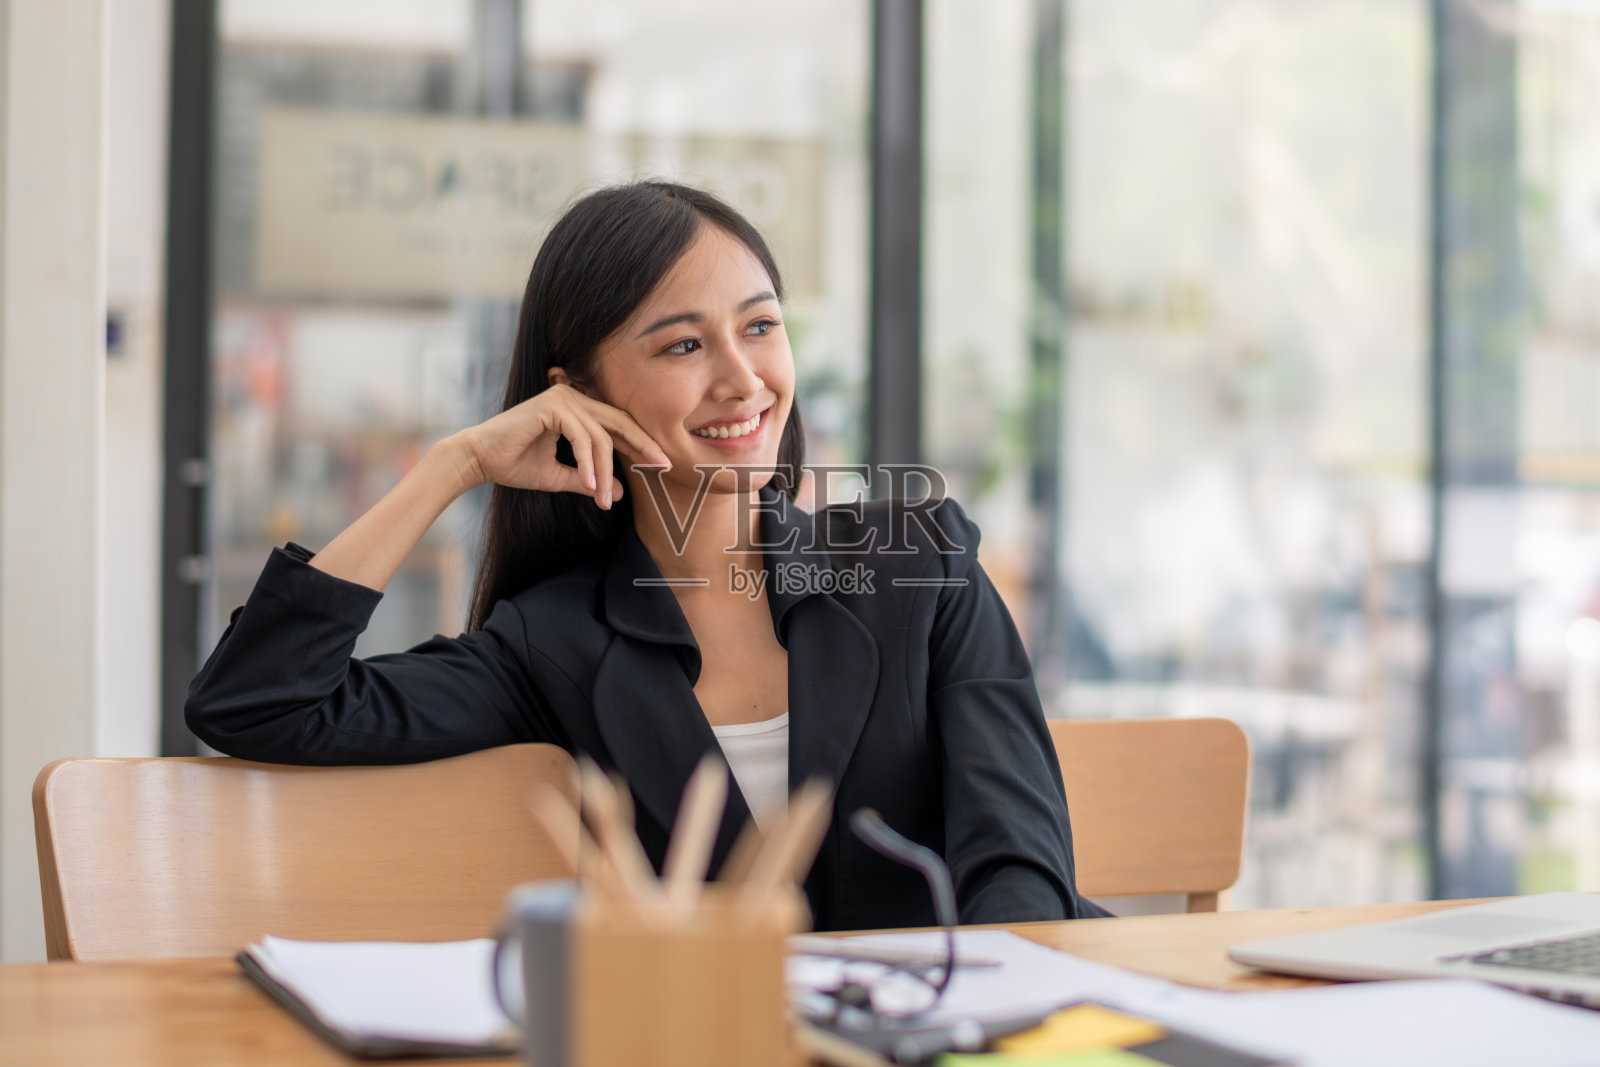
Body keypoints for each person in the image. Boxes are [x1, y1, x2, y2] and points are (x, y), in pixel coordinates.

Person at [186, 180, 1110, 931]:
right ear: (579, 394)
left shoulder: (917, 562)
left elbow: (1020, 865)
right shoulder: (550, 644)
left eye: (759, 326)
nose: (743, 379)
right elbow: (259, 699)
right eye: (682, 344)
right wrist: (451, 464)